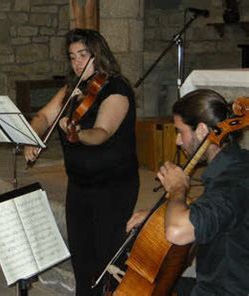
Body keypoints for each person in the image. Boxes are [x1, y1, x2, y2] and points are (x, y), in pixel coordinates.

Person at [24, 28, 139, 296]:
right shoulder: (72, 88)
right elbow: (44, 115)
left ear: (98, 55)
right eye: (72, 56)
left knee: (107, 261)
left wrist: (75, 132)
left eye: (83, 55)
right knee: (82, 260)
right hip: (80, 184)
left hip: (113, 186)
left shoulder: (116, 89)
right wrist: (32, 136)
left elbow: (101, 134)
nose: (77, 62)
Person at [127, 89, 249, 295]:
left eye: (180, 131)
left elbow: (178, 232)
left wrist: (177, 189)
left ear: (201, 130)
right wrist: (157, 216)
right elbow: (214, 210)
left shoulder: (233, 182)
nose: (177, 141)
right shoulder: (237, 163)